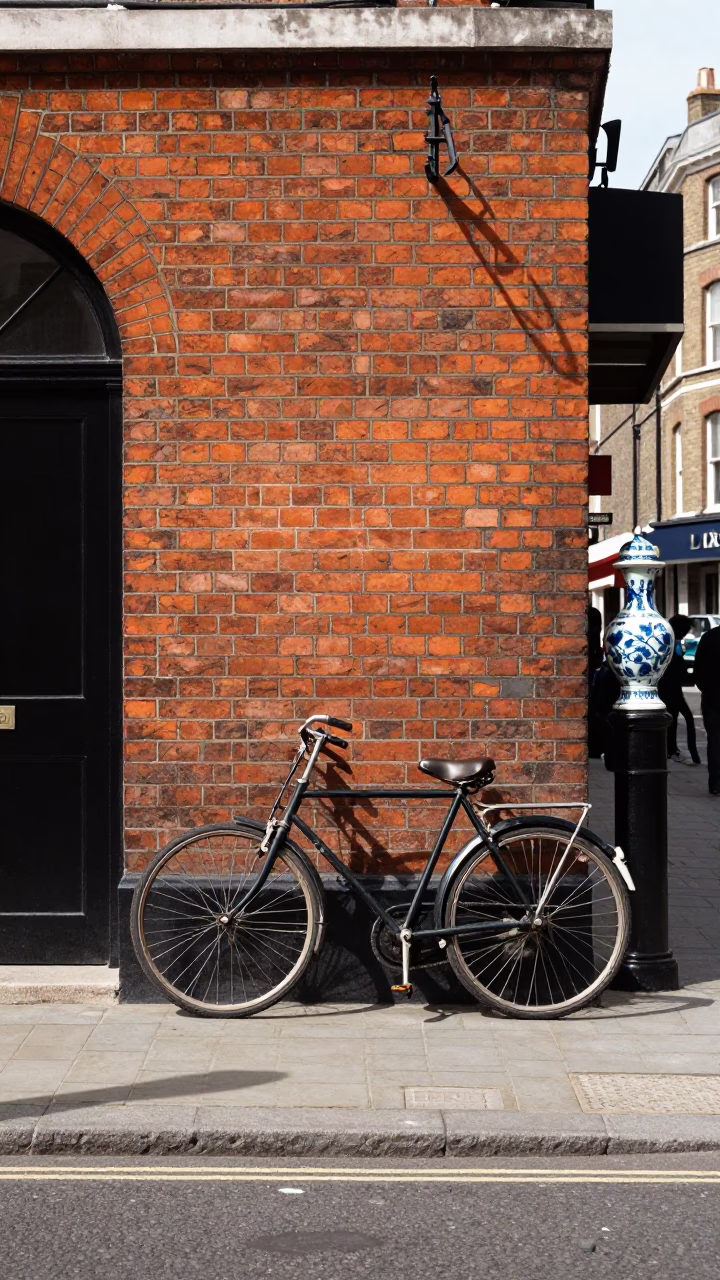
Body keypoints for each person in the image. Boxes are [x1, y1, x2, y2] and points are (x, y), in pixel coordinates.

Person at [658, 615, 701, 766]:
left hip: (667, 688)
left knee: (673, 719)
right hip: (672, 689)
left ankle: (670, 748)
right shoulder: (674, 644)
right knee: (686, 718)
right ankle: (691, 753)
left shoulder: (666, 641)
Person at [693, 621, 720, 795]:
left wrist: (708, 690)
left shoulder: (709, 637)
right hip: (712, 696)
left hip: (713, 698)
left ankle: (716, 783)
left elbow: (698, 671)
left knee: (715, 741)